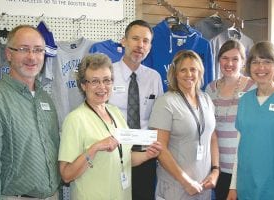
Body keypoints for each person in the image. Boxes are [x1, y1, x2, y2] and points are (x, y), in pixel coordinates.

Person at [58, 53, 162, 200]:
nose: (102, 87)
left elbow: (124, 158)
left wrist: (148, 155)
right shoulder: (75, 120)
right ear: (83, 85)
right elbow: (66, 175)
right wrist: (95, 148)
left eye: (107, 80)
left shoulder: (115, 113)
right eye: (94, 81)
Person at [227, 41, 274, 200]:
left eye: (267, 62)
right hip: (247, 187)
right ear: (249, 66)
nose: (261, 67)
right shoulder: (245, 101)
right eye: (255, 62)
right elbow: (240, 149)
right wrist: (233, 186)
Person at [0, 25, 61, 199]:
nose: (32, 57)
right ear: (9, 54)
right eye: (24, 49)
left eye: (38, 50)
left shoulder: (45, 99)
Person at [149, 50, 220, 200]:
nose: (189, 74)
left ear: (200, 71)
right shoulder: (166, 102)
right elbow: (159, 148)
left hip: (203, 186)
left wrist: (215, 171)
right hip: (176, 186)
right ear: (175, 74)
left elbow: (212, 137)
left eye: (193, 69)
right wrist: (185, 181)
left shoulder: (206, 99)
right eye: (183, 70)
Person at [108, 20, 164, 200]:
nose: (140, 45)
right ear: (123, 41)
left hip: (145, 157)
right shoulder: (107, 75)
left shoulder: (154, 78)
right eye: (135, 39)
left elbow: (159, 118)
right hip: (113, 155)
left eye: (146, 41)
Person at [205, 39, 255, 200]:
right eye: (225, 58)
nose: (229, 63)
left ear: (243, 62)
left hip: (244, 168)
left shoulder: (252, 87)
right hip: (219, 166)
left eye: (235, 59)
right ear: (218, 60)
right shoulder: (210, 89)